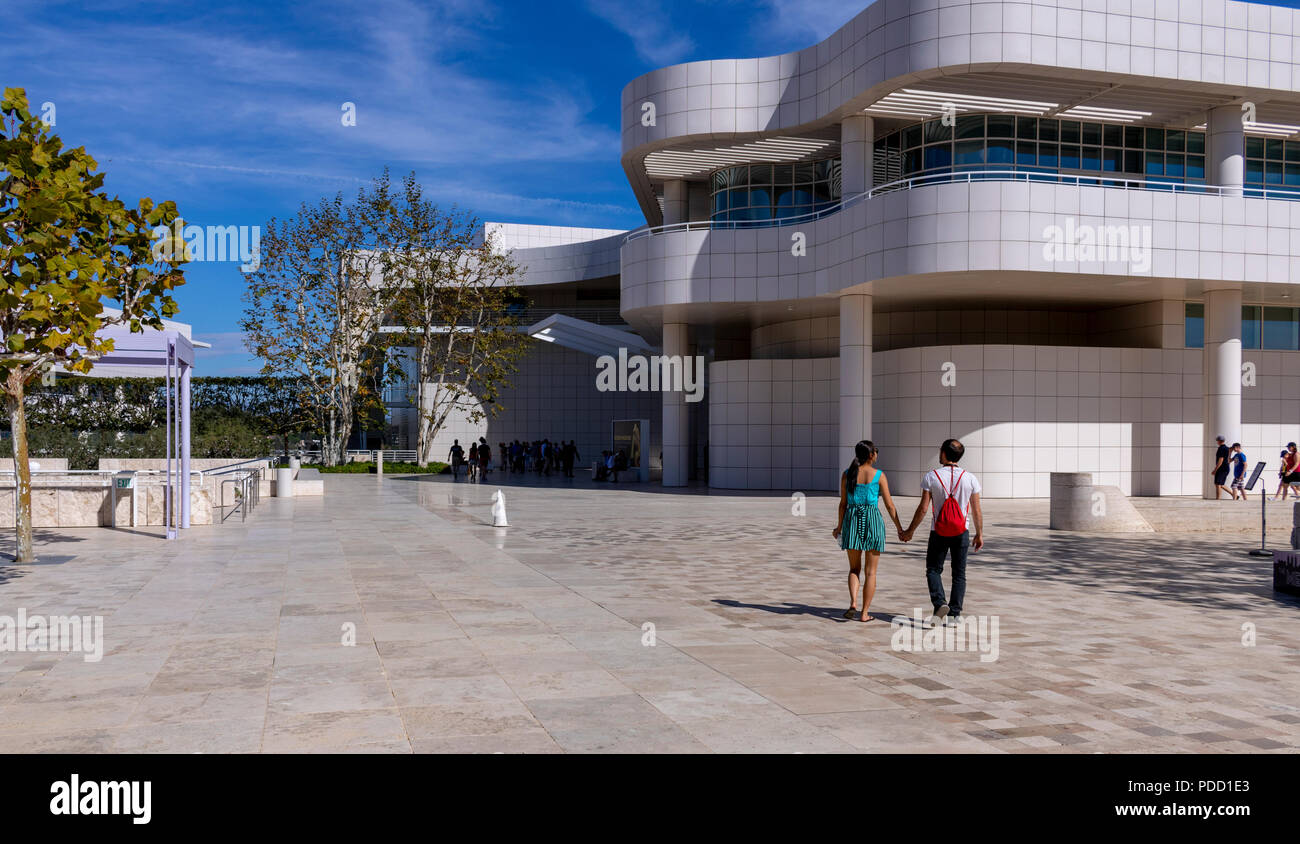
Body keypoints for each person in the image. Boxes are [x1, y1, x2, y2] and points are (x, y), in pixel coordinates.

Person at [901, 438, 984, 627]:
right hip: (961, 531)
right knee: (959, 573)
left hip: (938, 531)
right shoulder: (970, 478)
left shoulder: (931, 477)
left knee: (933, 569)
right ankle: (955, 615)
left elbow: (923, 508)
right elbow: (976, 510)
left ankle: (940, 603)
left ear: (945, 453)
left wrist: (909, 531)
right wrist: (979, 534)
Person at [832, 440, 903, 623]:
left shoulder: (847, 474)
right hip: (872, 521)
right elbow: (889, 505)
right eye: (876, 452)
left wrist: (839, 527)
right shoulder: (879, 475)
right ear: (871, 455)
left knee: (854, 568)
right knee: (871, 572)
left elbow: (843, 504)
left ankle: (853, 602)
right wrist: (900, 528)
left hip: (852, 519)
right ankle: (864, 613)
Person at [1210, 435, 1231, 499]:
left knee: (1218, 484)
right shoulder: (1227, 448)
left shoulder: (1221, 448)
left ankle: (1218, 499)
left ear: (1219, 441)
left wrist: (1215, 470)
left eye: (1217, 441)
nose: (1217, 442)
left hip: (1221, 468)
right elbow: (1228, 459)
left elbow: (1220, 460)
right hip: (1226, 468)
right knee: (1220, 484)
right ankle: (1233, 494)